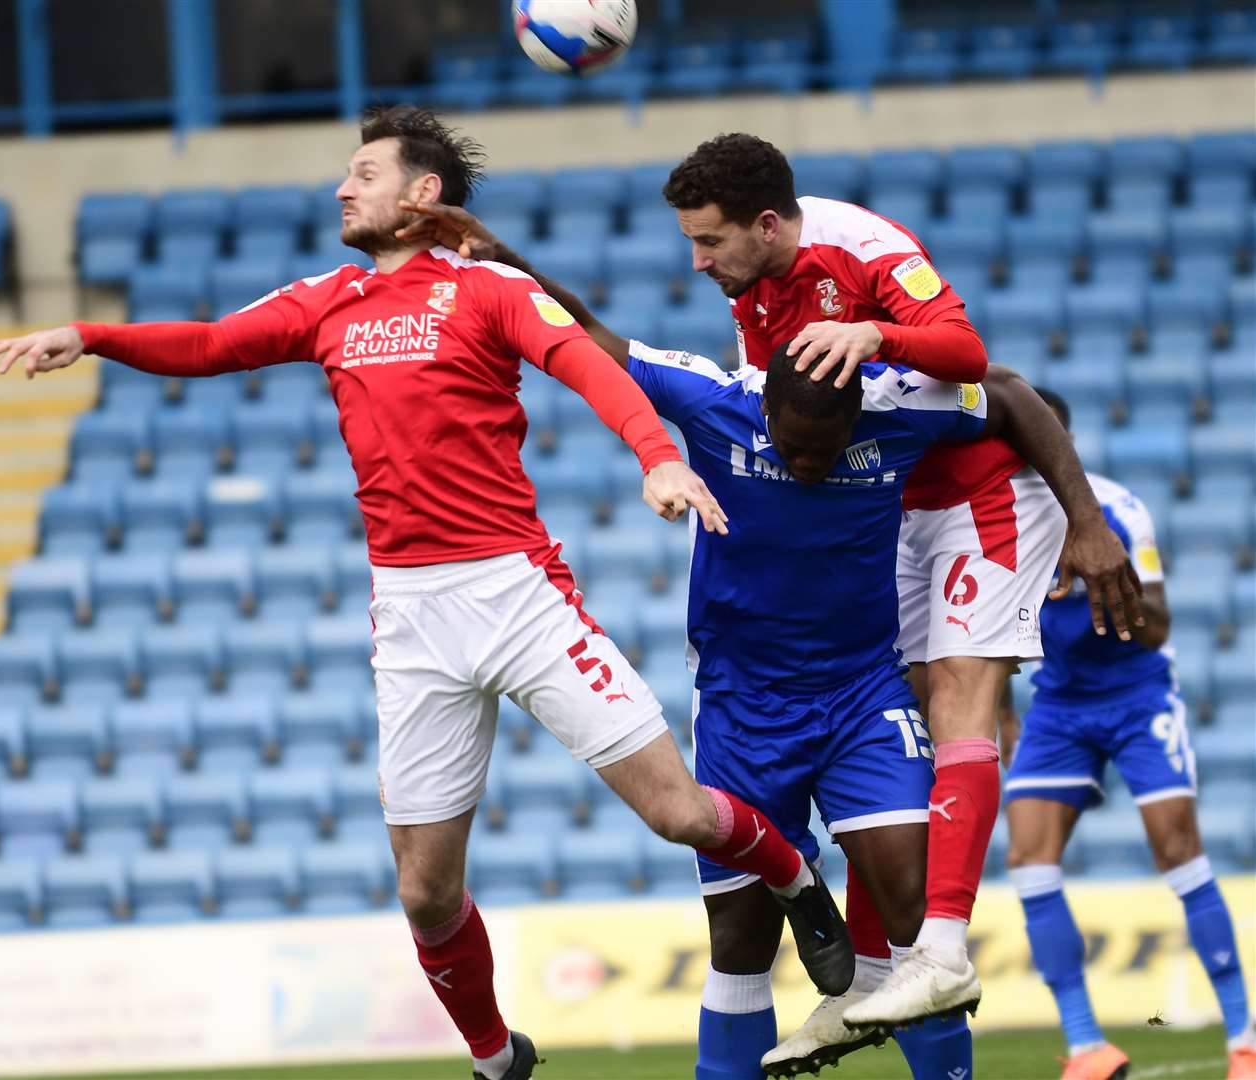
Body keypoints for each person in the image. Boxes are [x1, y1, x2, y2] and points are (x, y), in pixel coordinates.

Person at [0, 106, 854, 1080]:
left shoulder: (488, 289)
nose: (340, 188)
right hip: (409, 616)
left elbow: (587, 369)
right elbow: (212, 343)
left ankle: (789, 871)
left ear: (421, 195)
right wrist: (93, 335)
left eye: (362, 172)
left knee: (683, 818)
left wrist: (657, 459)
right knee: (424, 893)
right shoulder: (328, 300)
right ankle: (495, 1062)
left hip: (516, 595)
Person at [392, 199, 1143, 1080]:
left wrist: (1086, 521)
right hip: (745, 708)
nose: (810, 464)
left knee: (912, 912)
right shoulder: (713, 400)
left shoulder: (897, 408)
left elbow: (1012, 394)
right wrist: (506, 259)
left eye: (828, 448)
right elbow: (592, 336)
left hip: (864, 697)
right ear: (767, 408)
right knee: (739, 944)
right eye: (793, 446)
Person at [662, 133, 1144, 1031]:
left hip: (984, 492)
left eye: (710, 241)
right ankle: (879, 977)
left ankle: (943, 955)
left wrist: (1087, 523)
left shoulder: (865, 250)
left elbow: (980, 366)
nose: (698, 261)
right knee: (894, 758)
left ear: (767, 225)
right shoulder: (753, 291)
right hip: (905, 509)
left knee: (961, 698)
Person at [1001, 389, 1256, 1080]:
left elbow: (1161, 627)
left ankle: (1245, 1040)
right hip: (1058, 704)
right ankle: (1088, 1045)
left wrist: (1091, 582)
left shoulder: (1116, 512)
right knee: (1028, 861)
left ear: (1064, 450)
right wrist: (999, 711)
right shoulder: (998, 522)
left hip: (1136, 694)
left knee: (1177, 848)